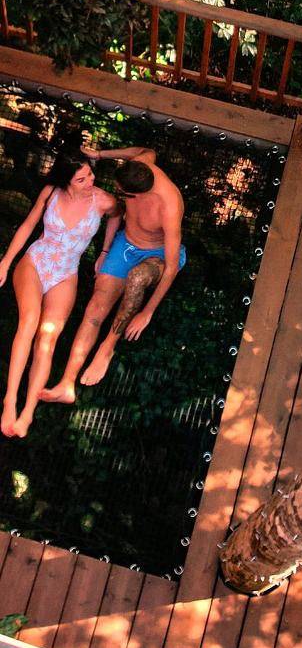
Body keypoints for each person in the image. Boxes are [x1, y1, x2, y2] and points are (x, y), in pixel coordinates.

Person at [41, 144, 186, 404]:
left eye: (123, 193)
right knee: (95, 308)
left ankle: (108, 346)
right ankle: (66, 384)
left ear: (137, 194)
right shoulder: (142, 164)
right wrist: (100, 155)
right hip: (126, 245)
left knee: (138, 278)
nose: (118, 194)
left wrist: (148, 312)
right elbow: (147, 149)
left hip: (158, 254)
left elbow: (173, 266)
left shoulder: (169, 205)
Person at [0, 148, 119, 437]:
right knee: (28, 323)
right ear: (66, 180)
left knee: (48, 337)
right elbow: (29, 225)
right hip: (36, 261)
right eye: (80, 179)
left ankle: (27, 412)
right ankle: (9, 401)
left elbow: (117, 216)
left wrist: (104, 250)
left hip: (66, 272)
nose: (89, 181)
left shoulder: (104, 201)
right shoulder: (51, 192)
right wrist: (5, 262)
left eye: (89, 174)